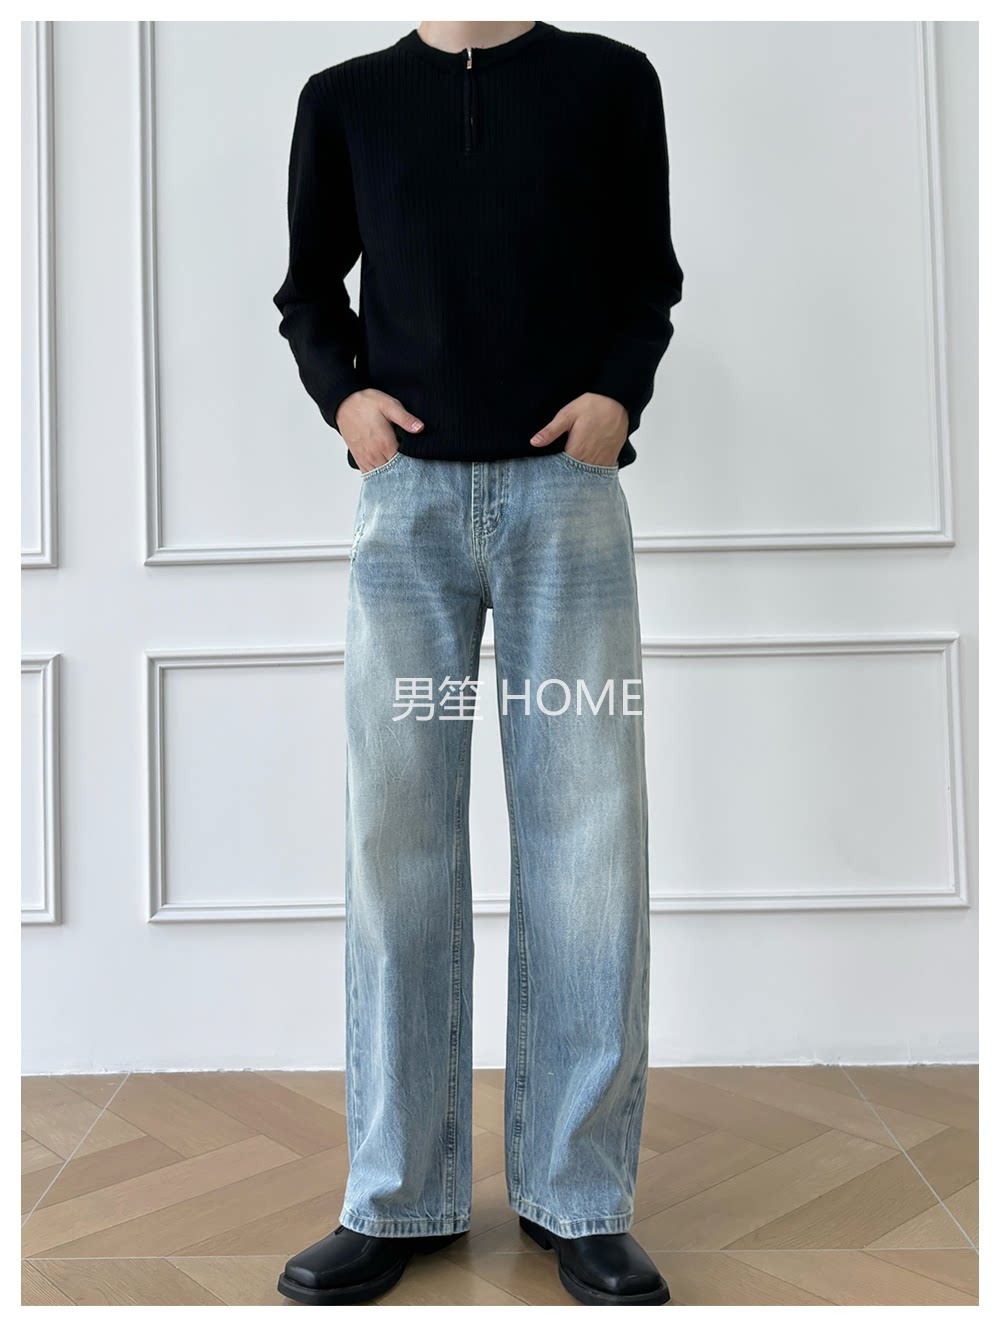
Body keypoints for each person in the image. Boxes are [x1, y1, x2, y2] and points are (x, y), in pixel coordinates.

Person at [272, 19, 683, 1306]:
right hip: (406, 513)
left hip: (569, 502)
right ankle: (398, 1195)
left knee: (587, 840)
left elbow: (648, 276)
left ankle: (580, 1197)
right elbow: (307, 292)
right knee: (396, 843)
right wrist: (344, 400)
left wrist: (619, 395)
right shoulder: (345, 99)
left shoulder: (609, 82)